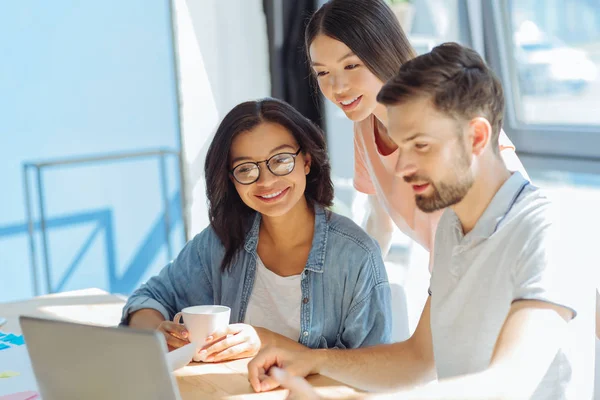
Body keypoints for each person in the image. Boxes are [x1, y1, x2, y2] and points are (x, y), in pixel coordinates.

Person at [248, 43, 593, 399]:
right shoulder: (451, 229)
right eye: (401, 146)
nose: (401, 167)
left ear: (476, 137)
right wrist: (314, 361)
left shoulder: (548, 229)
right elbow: (418, 359)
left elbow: (507, 382)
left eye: (420, 146)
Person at [120, 98, 393, 363]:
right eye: (246, 169)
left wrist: (265, 340)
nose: (266, 180)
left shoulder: (356, 256)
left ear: (307, 161)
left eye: (281, 160)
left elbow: (375, 370)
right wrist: (157, 335)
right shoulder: (221, 241)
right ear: (231, 179)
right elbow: (148, 298)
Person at [305, 0, 526, 262]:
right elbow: (380, 223)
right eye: (322, 72)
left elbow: (517, 207)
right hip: (450, 276)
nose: (337, 87)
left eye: (351, 66)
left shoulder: (446, 108)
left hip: (499, 269)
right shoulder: (365, 126)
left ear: (383, 51)